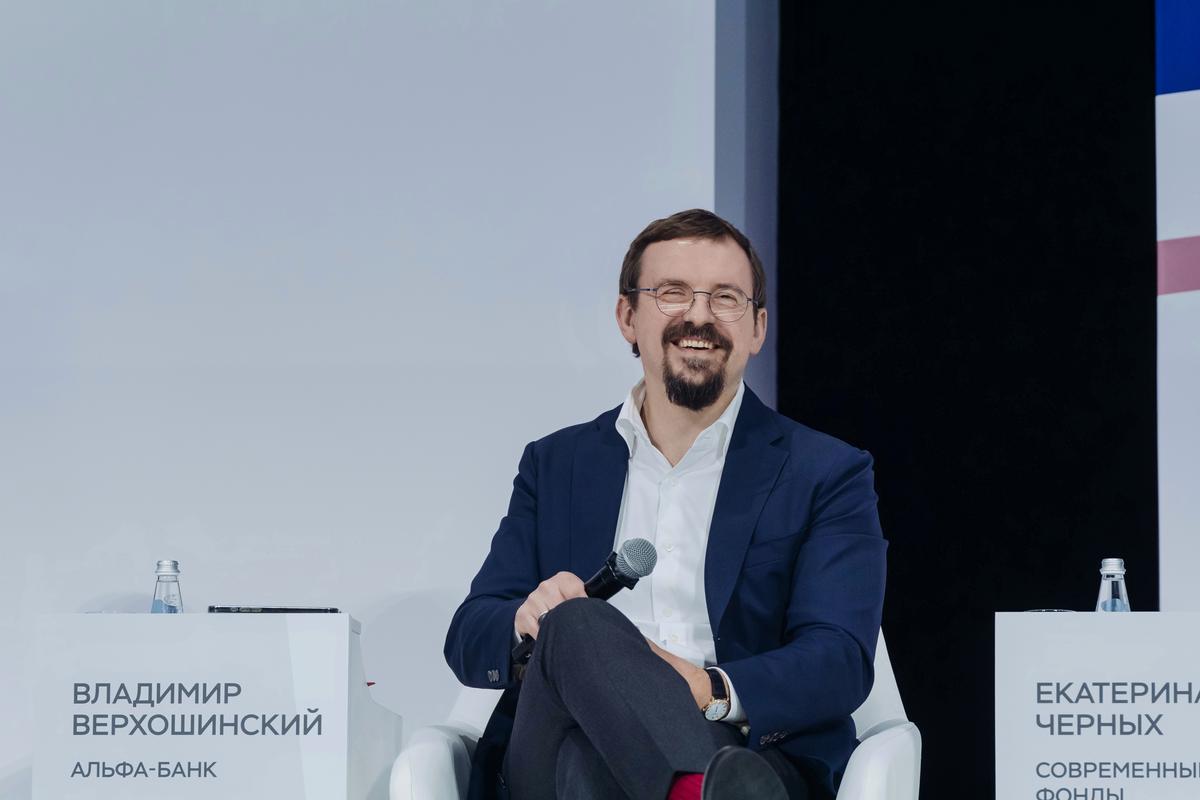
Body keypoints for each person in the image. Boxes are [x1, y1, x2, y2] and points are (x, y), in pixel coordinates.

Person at [444, 209, 887, 800]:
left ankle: (692, 783)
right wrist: (525, 618)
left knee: (590, 767)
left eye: (725, 298)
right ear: (628, 317)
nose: (699, 316)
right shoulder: (555, 465)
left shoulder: (824, 472)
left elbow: (839, 658)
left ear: (757, 328)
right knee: (576, 621)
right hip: (554, 750)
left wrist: (708, 688)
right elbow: (469, 634)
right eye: (672, 293)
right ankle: (693, 791)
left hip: (745, 755)